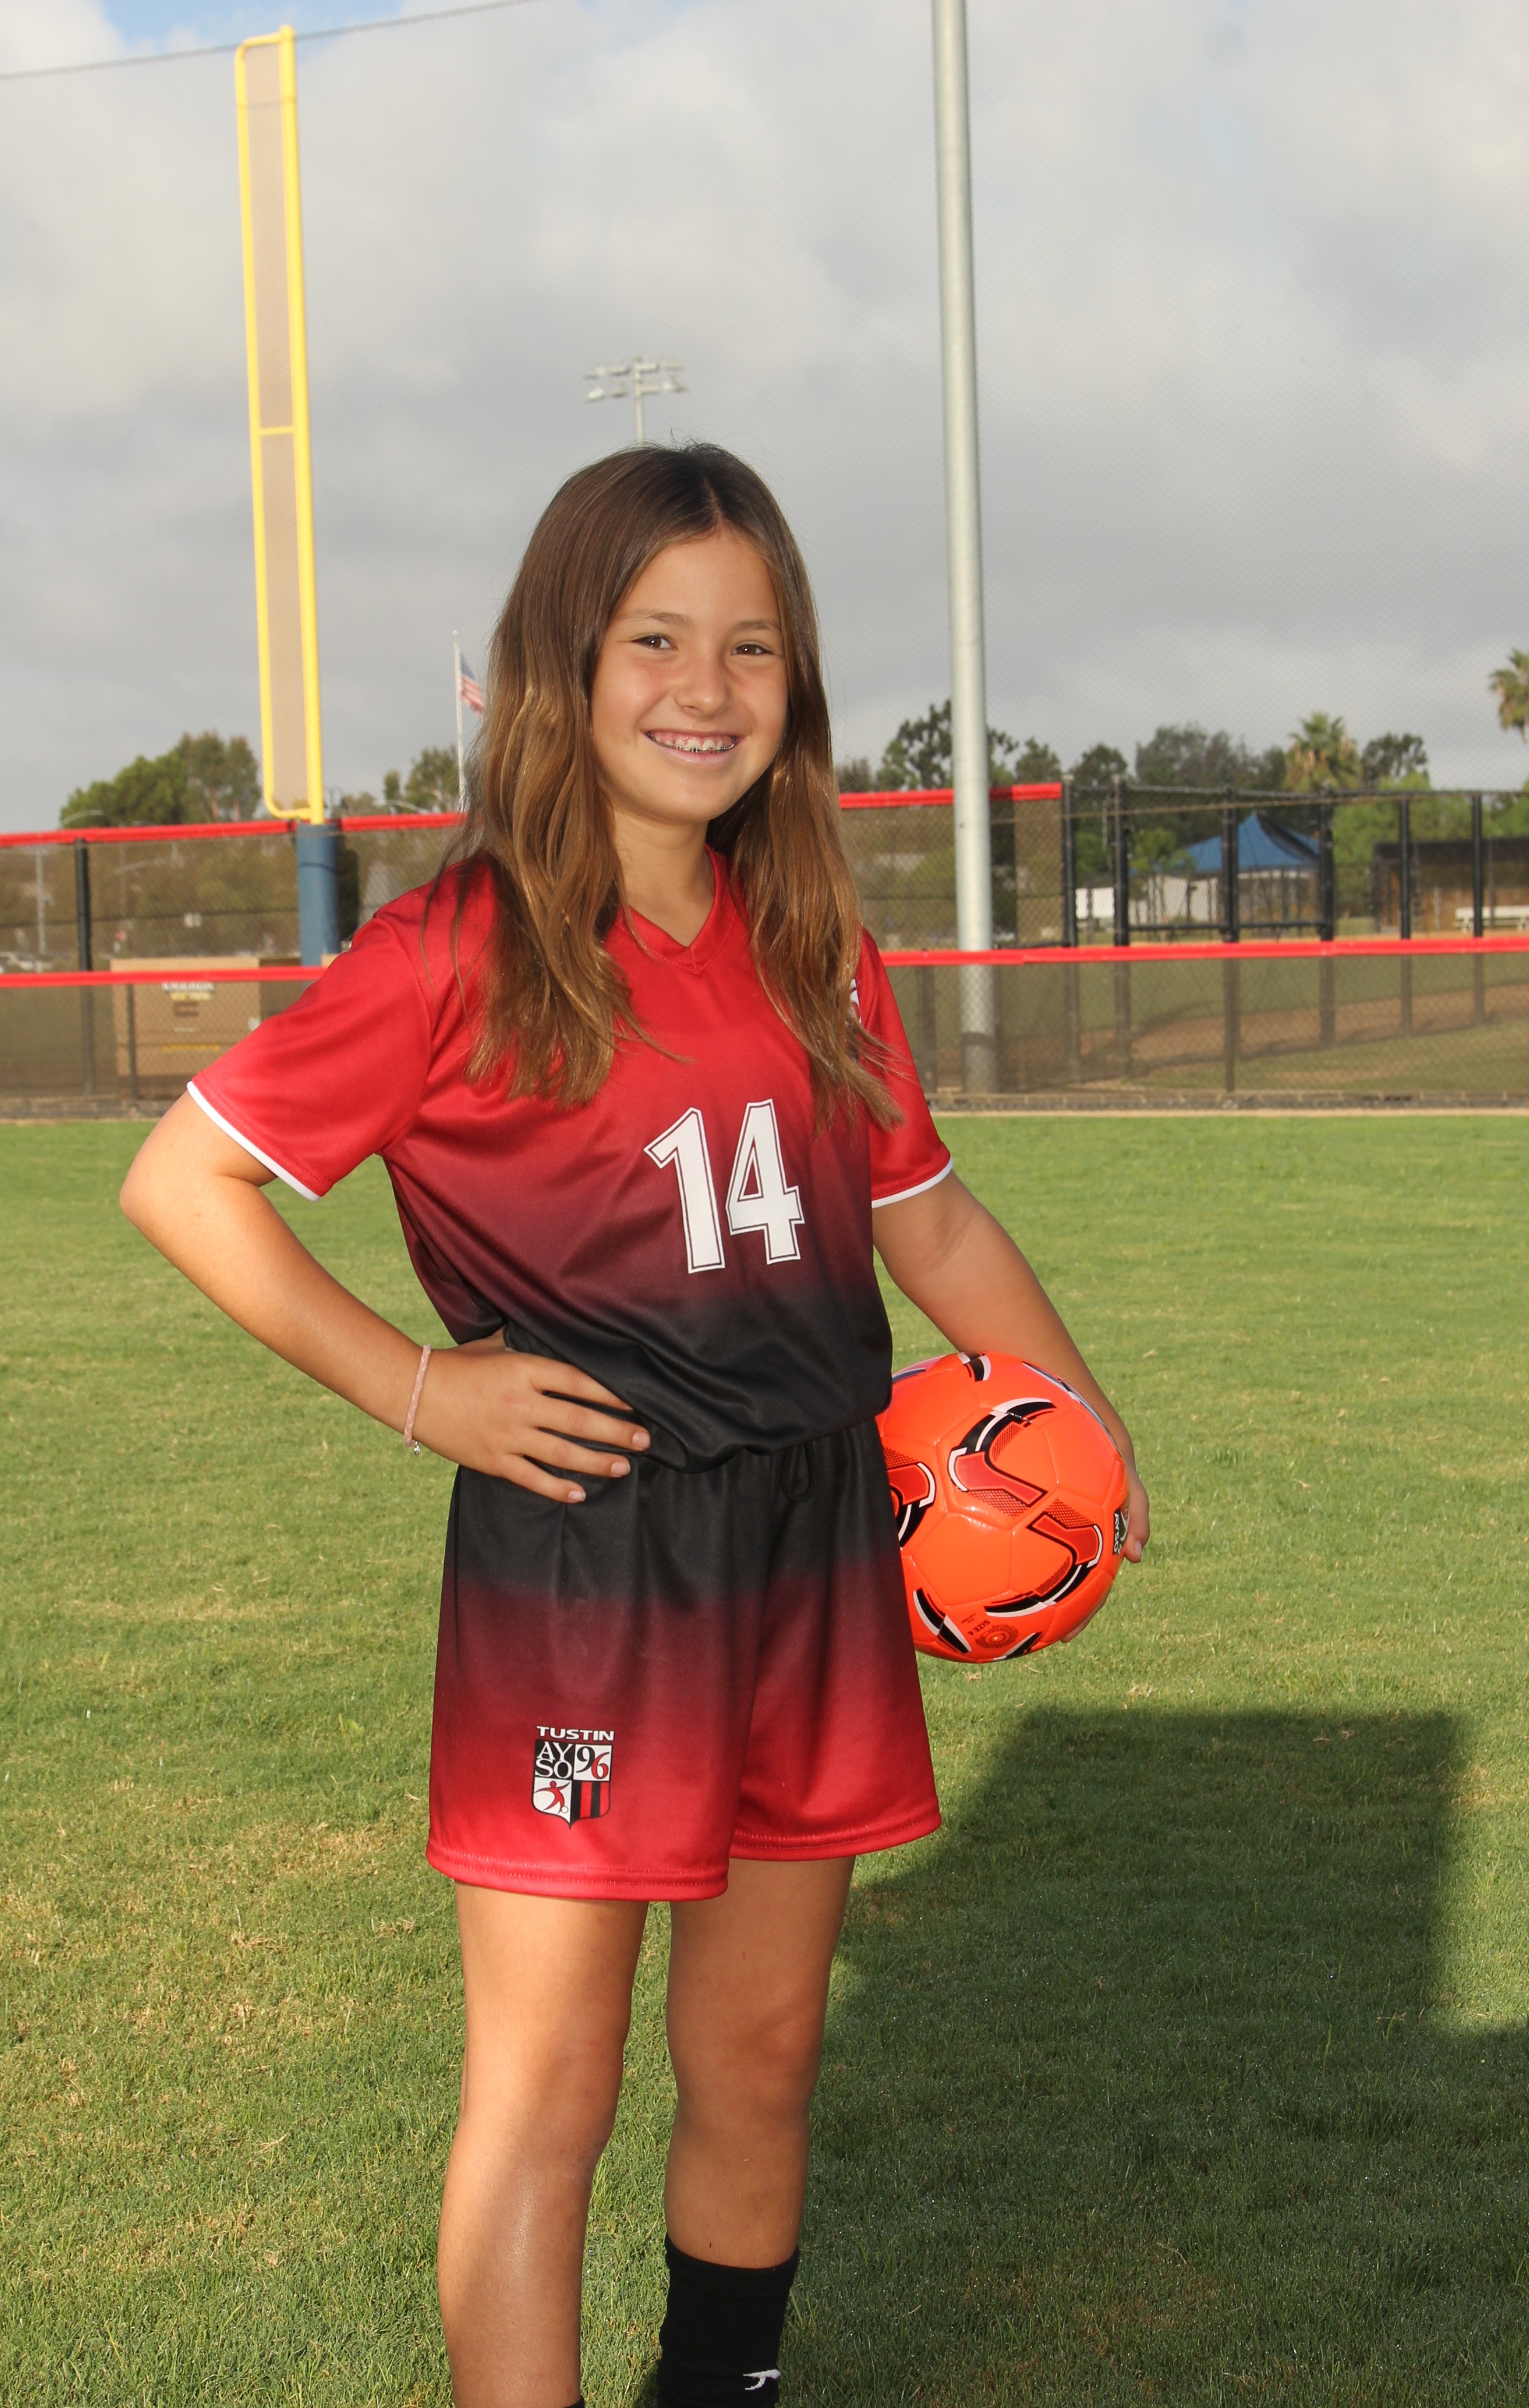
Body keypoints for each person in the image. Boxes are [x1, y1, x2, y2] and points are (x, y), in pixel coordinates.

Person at [121, 442, 1148, 2408]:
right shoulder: (456, 951)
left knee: (760, 2053)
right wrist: (420, 1386)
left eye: (751, 646)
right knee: (550, 2087)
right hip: (589, 1577)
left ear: (798, 681)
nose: (706, 686)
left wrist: (1075, 1424)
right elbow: (185, 1183)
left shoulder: (817, 943)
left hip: (818, 1553)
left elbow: (927, 1214)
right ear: (564, 665)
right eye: (655, 639)